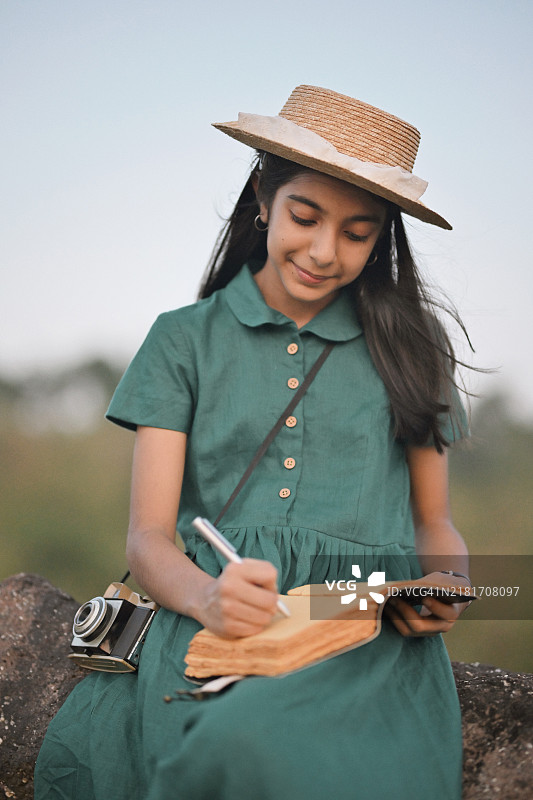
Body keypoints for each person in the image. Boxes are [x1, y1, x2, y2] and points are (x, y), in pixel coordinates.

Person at [35, 85, 473, 800]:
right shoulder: (182, 339)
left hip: (364, 635)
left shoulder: (413, 350)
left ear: (381, 238)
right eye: (305, 216)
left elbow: (434, 522)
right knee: (235, 742)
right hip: (220, 624)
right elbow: (149, 539)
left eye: (357, 232)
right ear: (263, 198)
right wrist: (209, 598)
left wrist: (448, 582)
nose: (324, 251)